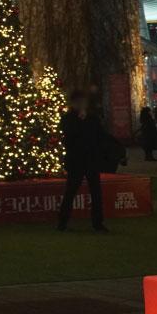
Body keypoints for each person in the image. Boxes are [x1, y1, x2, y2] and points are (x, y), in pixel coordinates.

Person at [56, 89, 107, 232]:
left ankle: (98, 223)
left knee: (96, 192)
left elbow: (100, 136)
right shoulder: (68, 118)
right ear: (73, 103)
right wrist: (80, 122)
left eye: (83, 102)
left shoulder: (92, 118)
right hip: (76, 160)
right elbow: (69, 137)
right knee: (71, 191)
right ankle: (62, 221)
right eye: (78, 102)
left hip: (91, 159)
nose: (81, 104)